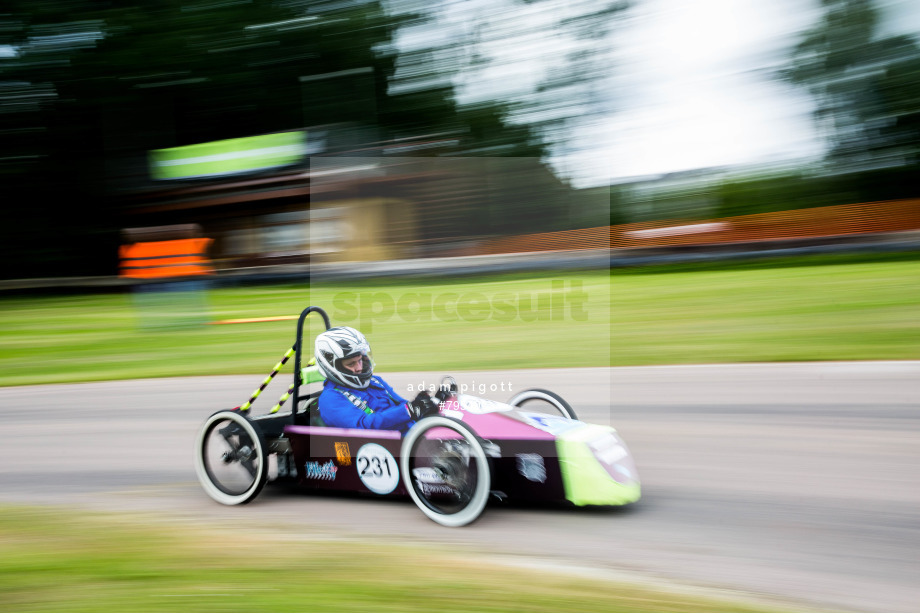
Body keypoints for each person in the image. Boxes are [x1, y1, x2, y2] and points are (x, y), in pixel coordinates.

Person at [314, 326, 439, 433]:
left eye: (360, 360)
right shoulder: (330, 399)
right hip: (380, 448)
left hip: (408, 437)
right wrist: (408, 411)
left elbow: (403, 406)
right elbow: (362, 426)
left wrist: (428, 404)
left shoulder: (374, 381)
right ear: (332, 367)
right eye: (351, 364)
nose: (359, 368)